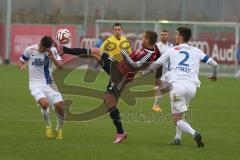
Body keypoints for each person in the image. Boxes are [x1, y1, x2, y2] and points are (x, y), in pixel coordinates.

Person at [59, 30, 159, 144]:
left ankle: (121, 132)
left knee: (109, 102)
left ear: (148, 40)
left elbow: (135, 66)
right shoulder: (145, 49)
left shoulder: (149, 54)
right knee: (96, 51)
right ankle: (64, 50)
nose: (142, 40)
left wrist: (125, 54)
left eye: (144, 38)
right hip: (117, 67)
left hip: (121, 77)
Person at [142, 27, 218, 147]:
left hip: (177, 88)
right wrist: (214, 76)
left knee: (177, 119)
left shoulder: (172, 50)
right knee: (181, 114)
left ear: (181, 37)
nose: (175, 37)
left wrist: (143, 72)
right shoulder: (197, 51)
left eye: (176, 34)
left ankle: (194, 133)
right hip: (192, 88)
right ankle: (177, 138)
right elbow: (215, 64)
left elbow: (155, 65)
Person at [17, 36, 65, 140]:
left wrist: (52, 57)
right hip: (35, 84)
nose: (43, 50)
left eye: (45, 49)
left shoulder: (52, 51)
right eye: (42, 48)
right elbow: (20, 61)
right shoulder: (30, 50)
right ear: (40, 43)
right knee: (44, 104)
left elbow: (61, 67)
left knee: (61, 108)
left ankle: (58, 129)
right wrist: (21, 66)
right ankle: (48, 126)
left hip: (49, 83)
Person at [152, 30, 174, 112]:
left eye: (165, 35)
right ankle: (155, 105)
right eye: (162, 35)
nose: (164, 36)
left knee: (167, 87)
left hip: (169, 70)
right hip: (160, 68)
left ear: (168, 36)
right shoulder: (157, 46)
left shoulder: (171, 45)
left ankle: (156, 102)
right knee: (162, 87)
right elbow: (155, 58)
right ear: (160, 36)